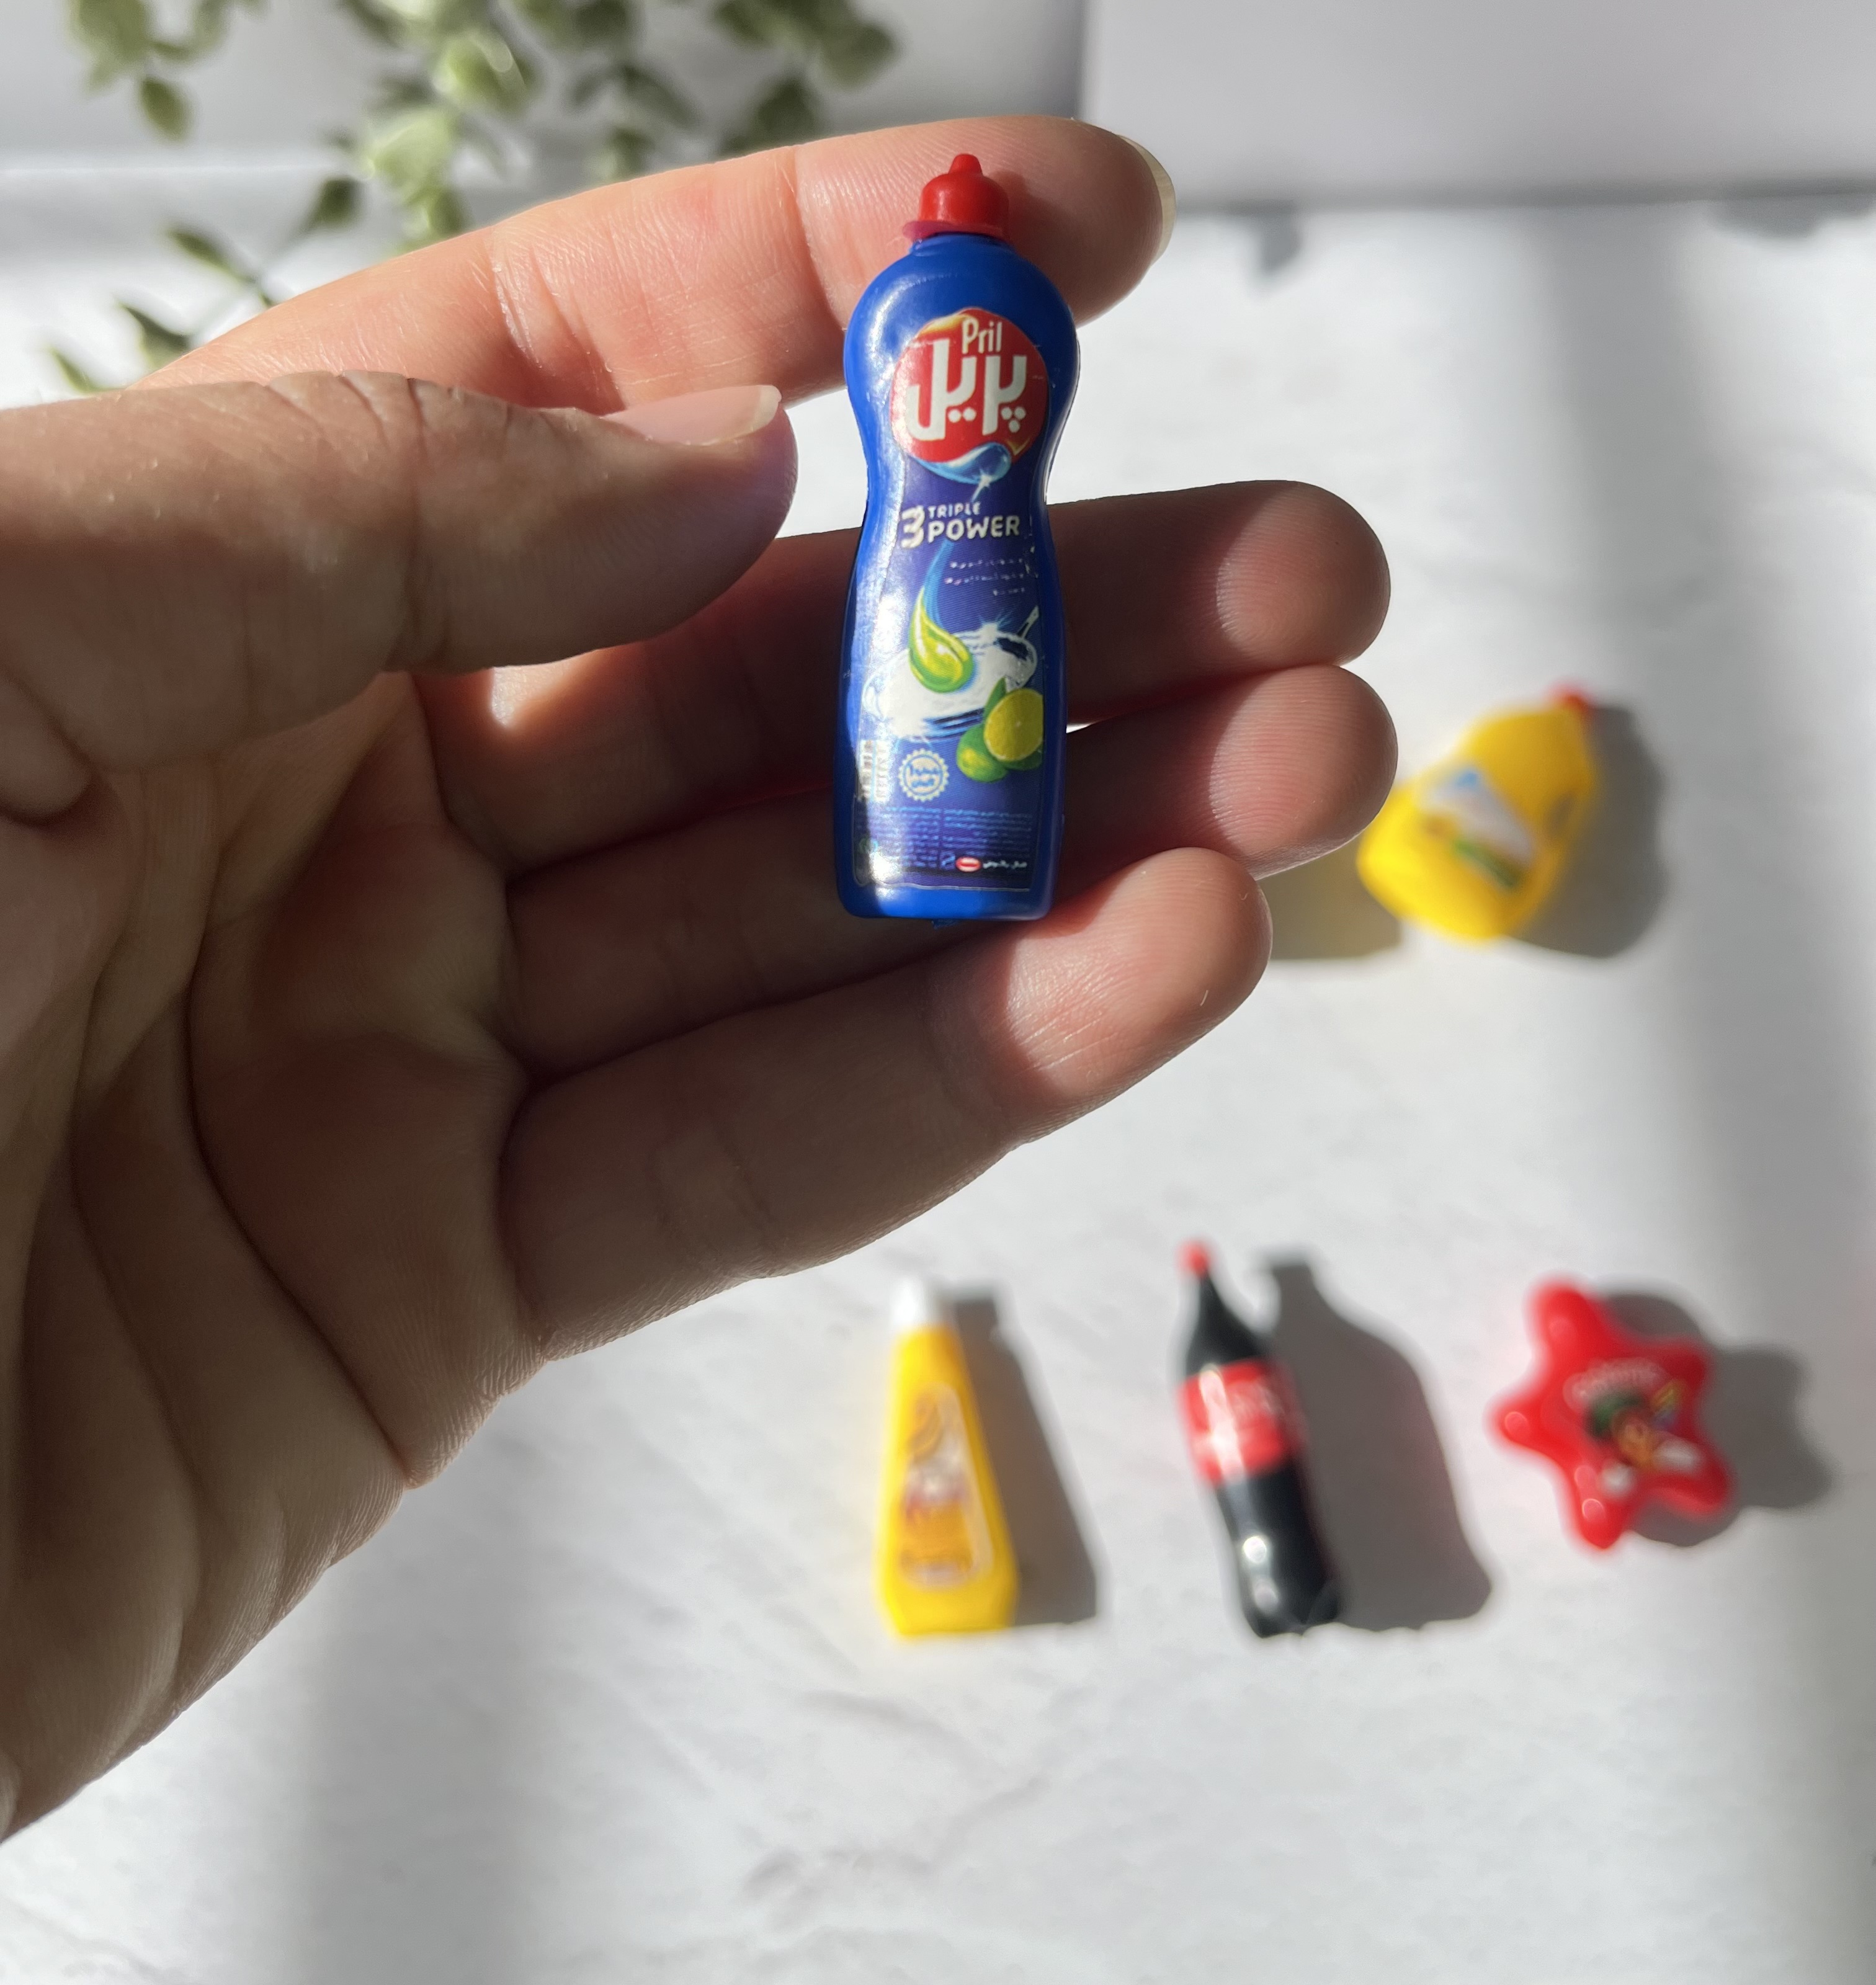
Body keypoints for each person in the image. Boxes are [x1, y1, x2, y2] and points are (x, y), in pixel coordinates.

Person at [0, 117, 1392, 1826]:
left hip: (931, 596)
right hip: (962, 594)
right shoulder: (967, 318)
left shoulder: (926, 317)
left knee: (991, 666)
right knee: (989, 653)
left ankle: (943, 839)